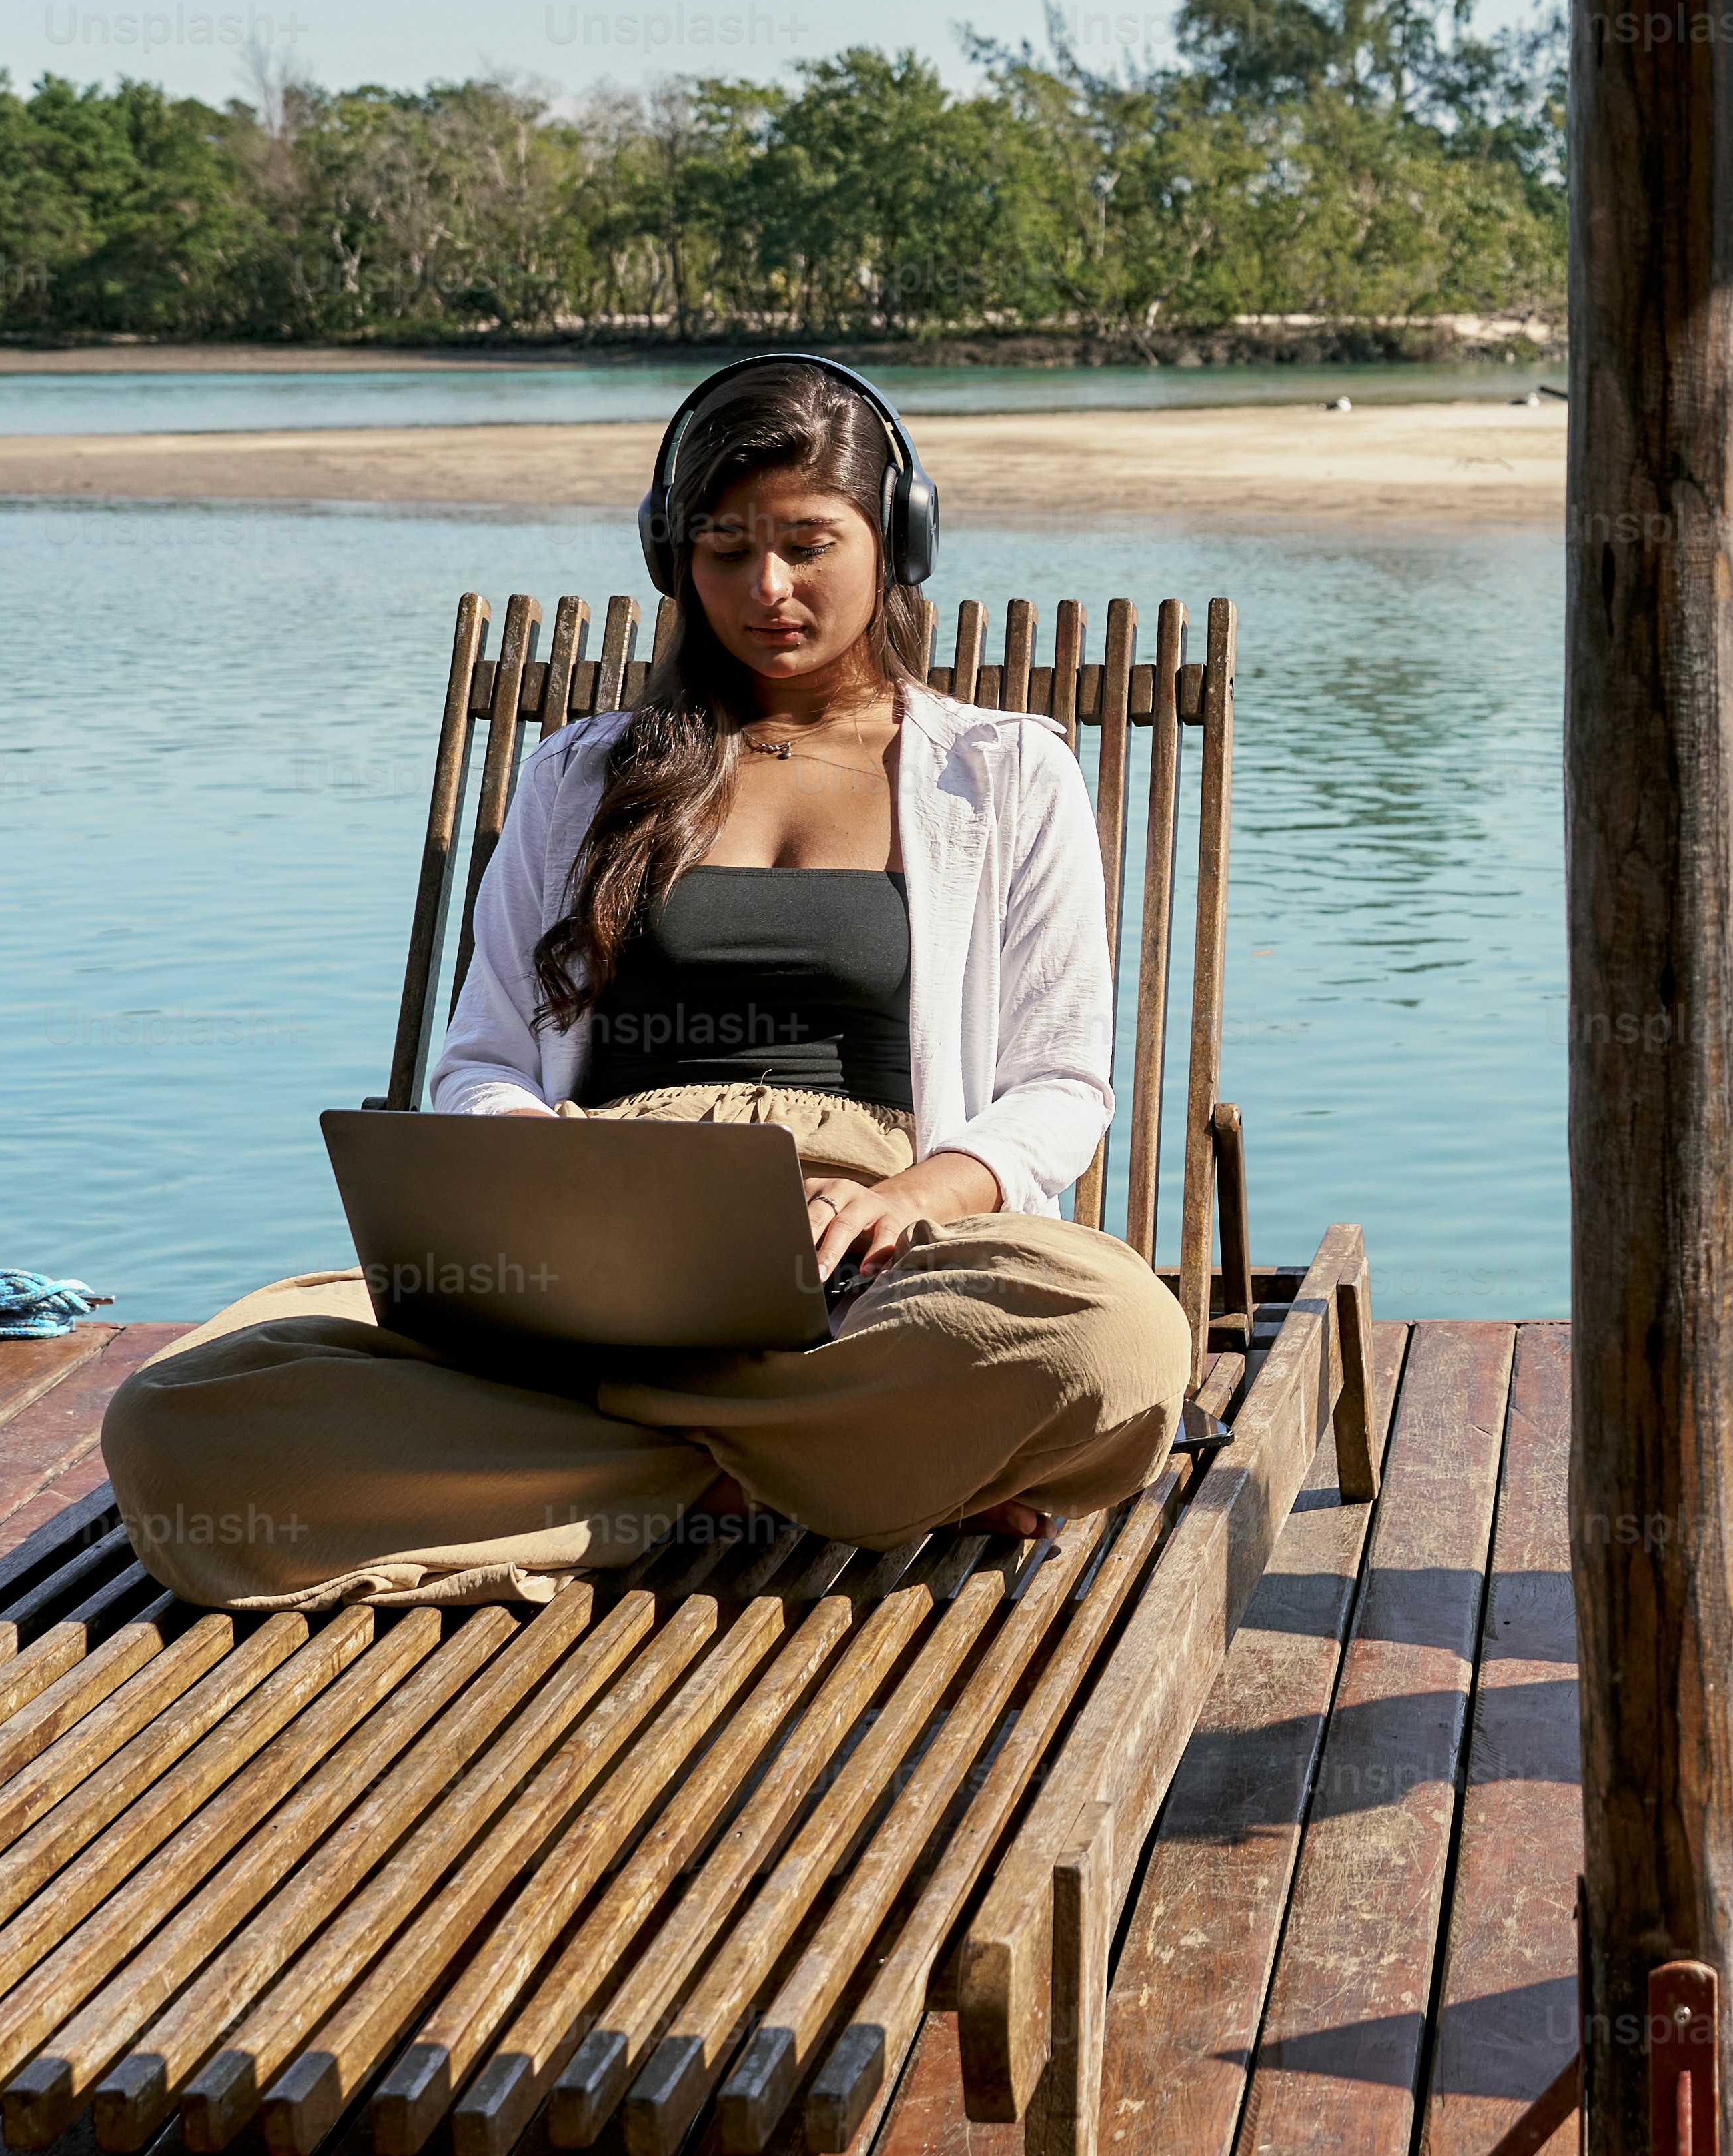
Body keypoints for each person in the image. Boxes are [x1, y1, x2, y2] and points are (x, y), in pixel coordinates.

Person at [102, 356, 1195, 1610]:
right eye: (726, 549)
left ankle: (597, 1471)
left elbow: (1060, 1082)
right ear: (674, 557)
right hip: (595, 1233)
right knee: (176, 1416)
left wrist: (914, 1195)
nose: (767, 587)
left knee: (1115, 1338)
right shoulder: (582, 776)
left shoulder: (1003, 774)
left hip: (871, 1256)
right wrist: (540, 1168)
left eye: (808, 544)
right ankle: (813, 1470)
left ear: (898, 542)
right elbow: (482, 1059)